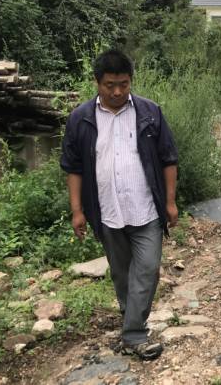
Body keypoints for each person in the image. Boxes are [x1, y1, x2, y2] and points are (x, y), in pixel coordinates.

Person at [60, 49, 179, 359]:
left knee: (148, 269)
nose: (117, 92)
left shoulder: (150, 112)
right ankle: (132, 324)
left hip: (146, 209)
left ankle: (133, 334)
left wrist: (170, 202)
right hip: (107, 210)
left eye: (123, 84)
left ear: (131, 81)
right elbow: (73, 167)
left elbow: (168, 159)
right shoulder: (81, 119)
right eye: (110, 85)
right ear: (97, 82)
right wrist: (77, 211)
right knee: (122, 274)